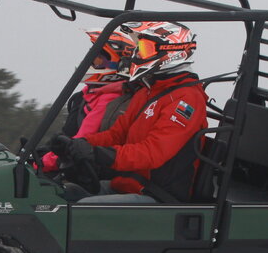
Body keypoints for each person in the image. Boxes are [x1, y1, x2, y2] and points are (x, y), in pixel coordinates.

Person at [53, 21, 206, 202]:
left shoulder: (186, 99)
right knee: (57, 195)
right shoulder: (148, 91)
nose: (137, 55)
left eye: (145, 49)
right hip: (126, 185)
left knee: (81, 210)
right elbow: (116, 135)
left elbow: (152, 153)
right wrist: (77, 144)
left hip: (157, 196)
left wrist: (96, 153)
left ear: (172, 53)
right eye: (139, 48)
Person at [40, 26, 136, 173]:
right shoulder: (88, 93)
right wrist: (40, 154)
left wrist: (39, 164)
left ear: (118, 64)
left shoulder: (109, 100)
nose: (91, 62)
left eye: (97, 59)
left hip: (81, 169)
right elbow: (68, 134)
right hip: (66, 161)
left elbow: (80, 141)